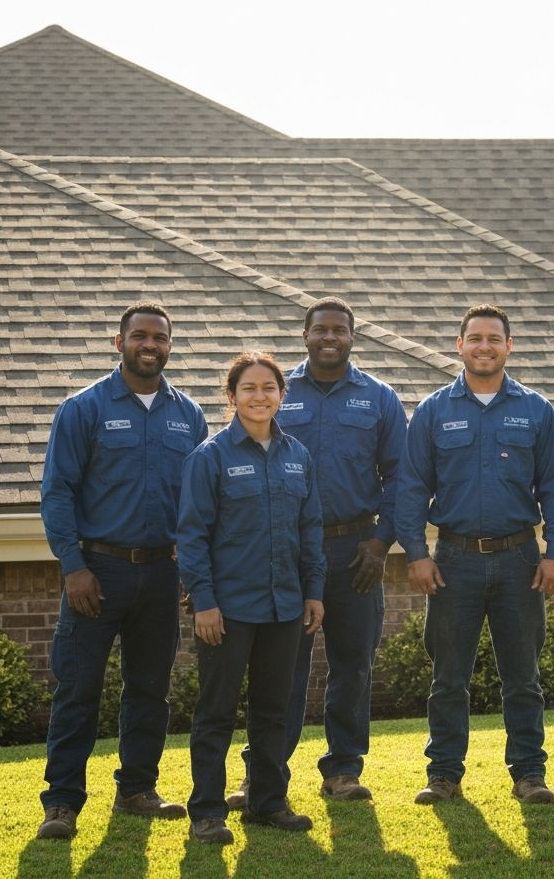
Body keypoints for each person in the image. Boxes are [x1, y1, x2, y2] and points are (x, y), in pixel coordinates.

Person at [37, 302, 208, 840]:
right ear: (120, 343)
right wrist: (73, 567)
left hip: (161, 576)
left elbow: (200, 505)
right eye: (139, 336)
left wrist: (195, 574)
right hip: (98, 572)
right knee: (78, 688)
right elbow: (57, 492)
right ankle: (61, 803)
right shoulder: (82, 409)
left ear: (170, 346)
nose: (149, 345)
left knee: (149, 690)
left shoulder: (189, 416)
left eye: (159, 337)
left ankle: (137, 789)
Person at [226, 297, 407, 807]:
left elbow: (402, 478)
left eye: (340, 330)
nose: (330, 337)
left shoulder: (379, 399)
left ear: (353, 336)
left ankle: (343, 770)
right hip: (287, 548)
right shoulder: (279, 393)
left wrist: (381, 538)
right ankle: (262, 774)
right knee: (279, 667)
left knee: (353, 665)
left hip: (357, 550)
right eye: (320, 329)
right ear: (305, 335)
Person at [396, 303, 554, 806]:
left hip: (521, 559)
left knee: (523, 678)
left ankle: (529, 775)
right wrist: (415, 552)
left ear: (508, 346)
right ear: (460, 345)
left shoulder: (536, 410)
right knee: (448, 677)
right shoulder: (433, 411)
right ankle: (444, 775)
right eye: (475, 337)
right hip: (453, 560)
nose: (484, 346)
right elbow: (411, 487)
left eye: (494, 338)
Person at [176, 351, 326, 845]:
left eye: (269, 388)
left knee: (273, 711)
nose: (259, 396)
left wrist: (313, 592)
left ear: (282, 395)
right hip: (228, 610)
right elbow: (192, 536)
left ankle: (267, 802)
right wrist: (204, 601)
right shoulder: (210, 457)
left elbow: (310, 531)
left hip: (285, 607)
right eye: (249, 388)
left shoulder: (298, 457)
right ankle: (208, 812)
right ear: (232, 396)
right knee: (216, 711)